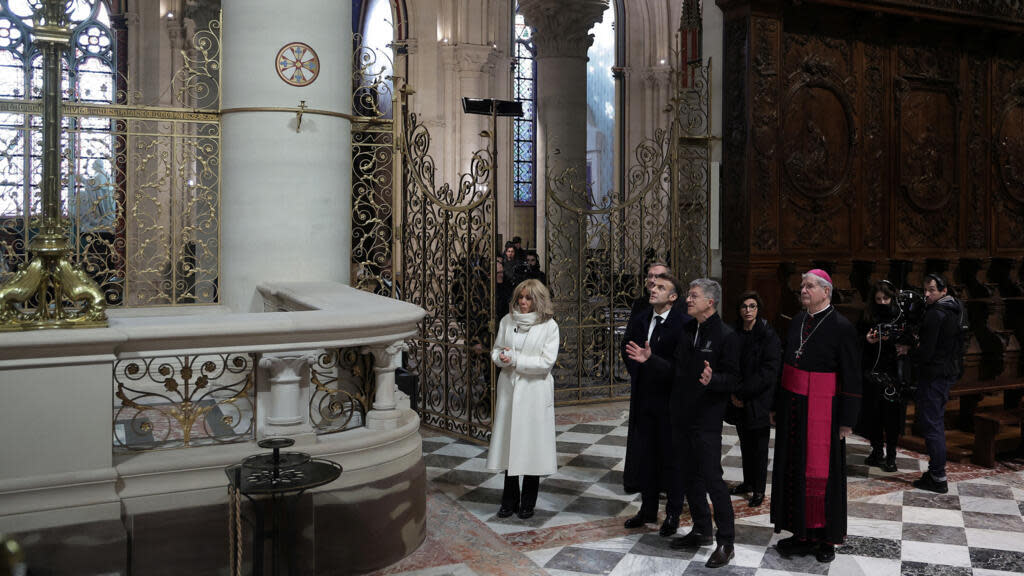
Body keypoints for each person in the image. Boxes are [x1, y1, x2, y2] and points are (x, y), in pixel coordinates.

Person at [771, 269, 861, 564]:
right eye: (802, 286)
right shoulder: (798, 320)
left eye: (809, 286)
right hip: (794, 408)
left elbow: (851, 376)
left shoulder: (842, 326)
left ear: (826, 291)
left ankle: (825, 539)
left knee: (824, 477)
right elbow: (787, 365)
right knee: (794, 469)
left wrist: (847, 421)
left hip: (825, 411)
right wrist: (777, 405)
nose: (803, 290)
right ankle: (801, 533)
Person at [669, 278, 741, 569]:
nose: (688, 299)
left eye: (694, 296)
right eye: (688, 294)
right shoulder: (687, 329)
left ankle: (727, 541)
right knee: (688, 476)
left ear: (710, 302)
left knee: (712, 478)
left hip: (707, 417)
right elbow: (677, 370)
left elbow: (734, 378)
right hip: (682, 414)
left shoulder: (726, 335)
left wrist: (715, 381)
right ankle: (701, 530)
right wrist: (650, 360)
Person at [621, 272, 690, 536]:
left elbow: (680, 368)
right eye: (653, 285)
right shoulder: (640, 320)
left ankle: (672, 513)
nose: (653, 289)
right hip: (645, 398)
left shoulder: (683, 325)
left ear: (673, 297)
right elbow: (630, 353)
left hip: (670, 402)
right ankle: (647, 509)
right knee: (646, 456)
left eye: (661, 287)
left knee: (671, 459)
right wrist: (639, 368)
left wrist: (650, 361)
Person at [486, 279, 560, 519]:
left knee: (531, 447)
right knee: (510, 446)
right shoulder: (507, 321)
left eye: (528, 298)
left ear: (538, 300)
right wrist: (501, 357)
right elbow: (496, 349)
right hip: (509, 390)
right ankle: (508, 501)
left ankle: (528, 502)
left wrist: (517, 361)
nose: (523, 302)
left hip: (534, 392)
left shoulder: (549, 326)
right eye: (520, 297)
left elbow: (546, 363)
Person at [896, 273, 961, 494]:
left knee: (932, 425)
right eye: (925, 289)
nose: (926, 294)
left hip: (934, 375)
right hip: (946, 372)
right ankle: (936, 473)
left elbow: (926, 352)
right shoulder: (956, 309)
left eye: (932, 290)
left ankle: (937, 477)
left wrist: (909, 350)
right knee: (935, 423)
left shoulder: (936, 314)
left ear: (944, 291)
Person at [727, 290, 781, 508]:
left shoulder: (768, 335)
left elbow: (768, 372)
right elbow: (729, 364)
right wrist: (733, 392)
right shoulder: (734, 332)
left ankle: (759, 489)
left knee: (759, 447)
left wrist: (742, 393)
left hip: (758, 399)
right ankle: (748, 482)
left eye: (752, 306)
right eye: (744, 307)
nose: (748, 311)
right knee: (745, 444)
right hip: (738, 398)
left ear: (758, 309)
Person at [859, 280, 904, 473]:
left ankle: (892, 455)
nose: (882, 302)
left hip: (893, 372)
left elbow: (909, 339)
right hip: (872, 372)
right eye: (878, 299)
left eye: (886, 298)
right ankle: (877, 450)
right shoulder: (869, 315)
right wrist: (868, 340)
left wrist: (893, 339)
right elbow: (858, 337)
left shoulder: (900, 316)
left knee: (892, 416)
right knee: (873, 414)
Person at [72, 159, 117, 233]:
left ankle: (97, 221)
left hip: (103, 201)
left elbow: (93, 185)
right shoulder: (99, 174)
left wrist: (82, 179)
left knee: (82, 195)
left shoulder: (101, 174)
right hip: (101, 199)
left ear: (97, 165)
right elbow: (93, 184)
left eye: (93, 164)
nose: (92, 166)